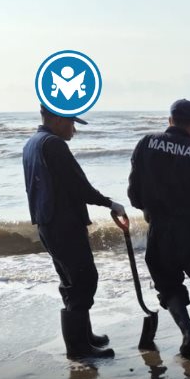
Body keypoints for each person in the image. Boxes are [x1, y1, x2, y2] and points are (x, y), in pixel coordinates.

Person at [22, 106, 124, 359]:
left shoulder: (32, 144)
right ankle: (78, 349)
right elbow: (78, 185)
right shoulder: (53, 145)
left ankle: (83, 337)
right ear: (57, 120)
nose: (74, 130)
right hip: (63, 224)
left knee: (71, 280)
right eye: (71, 123)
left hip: (47, 223)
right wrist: (109, 203)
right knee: (84, 279)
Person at [128, 99, 190, 356]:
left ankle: (186, 332)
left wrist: (149, 209)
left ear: (170, 120)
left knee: (168, 284)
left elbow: (134, 193)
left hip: (159, 230)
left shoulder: (146, 143)